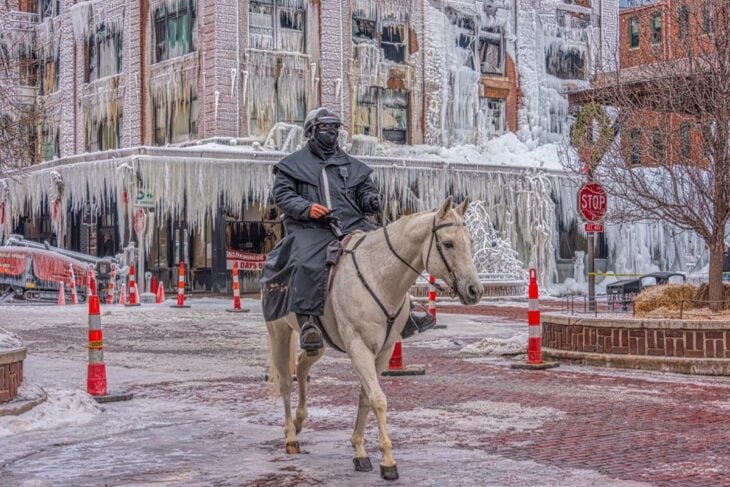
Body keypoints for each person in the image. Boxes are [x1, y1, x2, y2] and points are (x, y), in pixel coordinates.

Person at [260, 108, 435, 353]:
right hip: (311, 227)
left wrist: (370, 199)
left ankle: (406, 312)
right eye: (325, 127)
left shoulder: (351, 165)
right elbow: (283, 195)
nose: (332, 132)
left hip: (352, 223)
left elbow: (363, 190)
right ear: (312, 131)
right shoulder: (293, 165)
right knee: (306, 260)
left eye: (335, 127)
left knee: (388, 251)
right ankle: (309, 321)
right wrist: (307, 208)